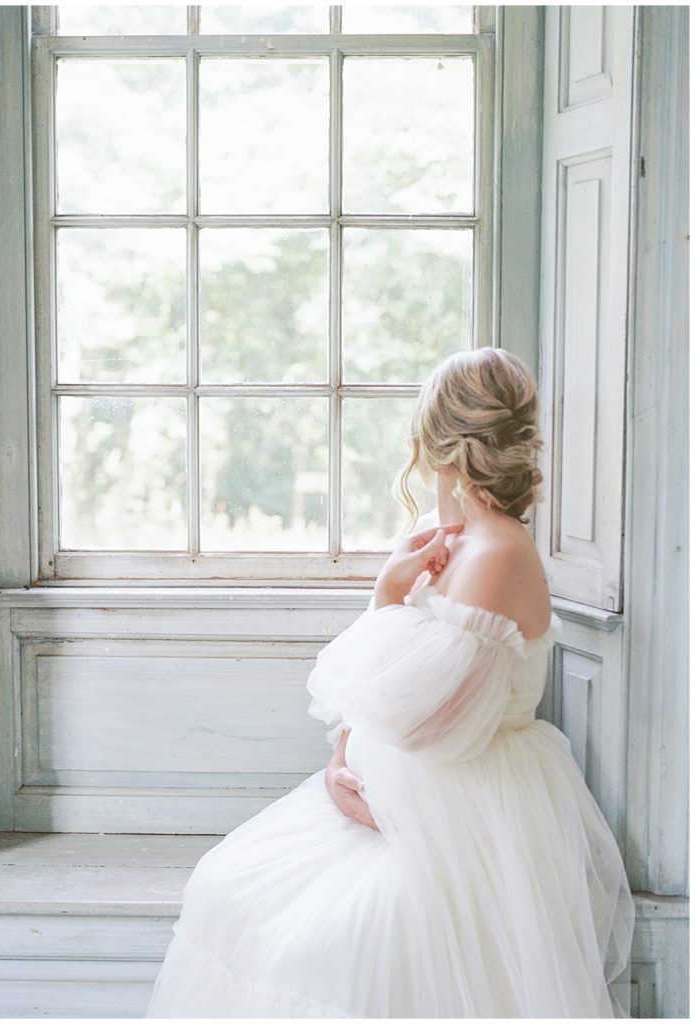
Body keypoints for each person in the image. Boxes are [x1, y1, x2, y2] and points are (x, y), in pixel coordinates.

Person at [145, 346, 635, 1018]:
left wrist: (384, 598)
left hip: (466, 802)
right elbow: (383, 693)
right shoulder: (440, 531)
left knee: (338, 947)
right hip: (397, 785)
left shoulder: (498, 554)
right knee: (232, 895)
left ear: (435, 442)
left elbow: (429, 725)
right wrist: (339, 763)